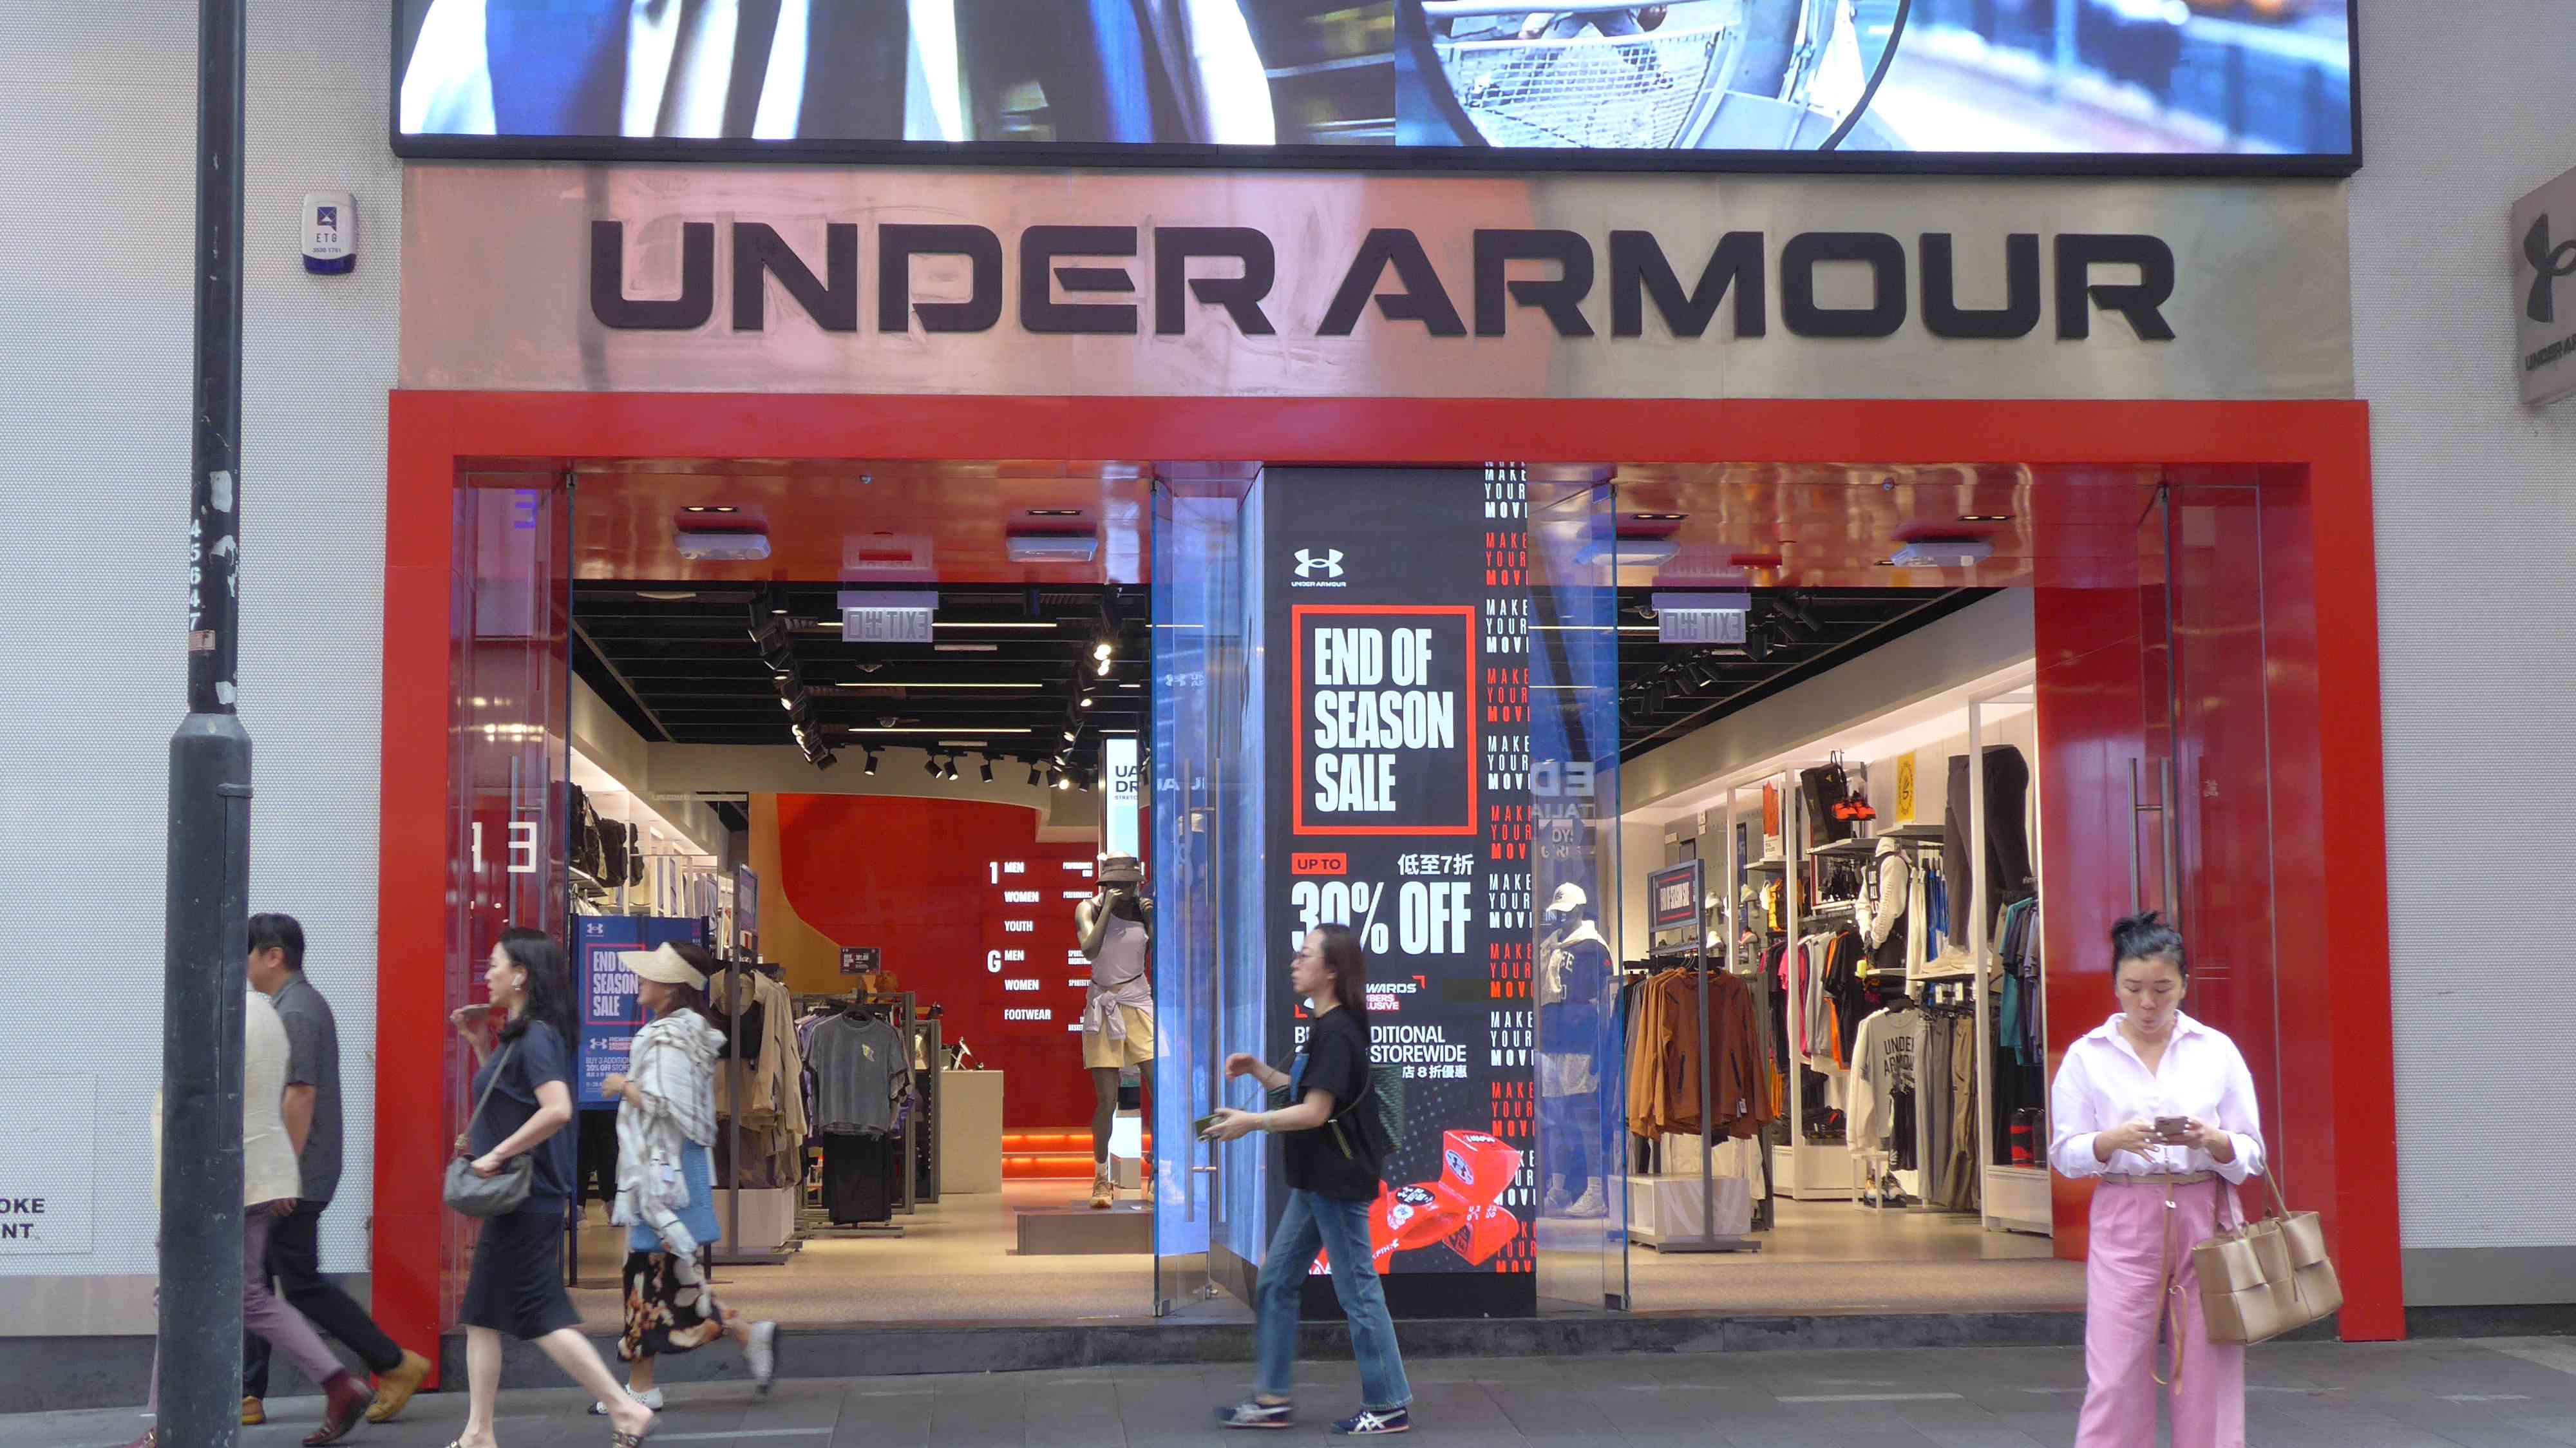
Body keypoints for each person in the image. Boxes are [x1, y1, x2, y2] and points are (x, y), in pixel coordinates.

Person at [2049, 911, 2266, 1448]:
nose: (2148, 1003)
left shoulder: (2216, 1050)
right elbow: (2065, 1153)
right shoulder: (2087, 1055)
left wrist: (2213, 1141)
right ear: (2115, 985)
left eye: (2163, 989)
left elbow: (2251, 1152)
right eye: (2134, 988)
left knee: (2211, 1365)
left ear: (2185, 985)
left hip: (2206, 1212)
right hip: (2127, 1209)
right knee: (2116, 1365)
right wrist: (2110, 1141)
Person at [124, 988, 374, 1447]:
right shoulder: (264, 1012)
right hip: (258, 1170)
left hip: (207, 1178)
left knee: (177, 1295)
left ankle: (169, 1421)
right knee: (251, 1296)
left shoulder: (209, 1010)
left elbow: (194, 1097)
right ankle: (339, 1384)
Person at [450, 928, 656, 1448]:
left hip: (527, 1198)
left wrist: (497, 1152)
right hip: (522, 1199)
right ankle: (479, 1431)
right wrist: (480, 1047)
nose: (488, 972)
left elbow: (558, 1109)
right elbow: (514, 1101)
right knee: (481, 1316)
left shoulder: (537, 1036)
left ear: (521, 975)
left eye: (496, 963)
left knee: (540, 1315)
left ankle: (624, 1407)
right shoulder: (522, 1035)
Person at [1205, 924, 1413, 1436]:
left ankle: (1388, 1404)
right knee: (1276, 1283)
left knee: (1359, 1293)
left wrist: (1250, 1122)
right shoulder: (1326, 1028)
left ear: (1332, 970)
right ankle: (1273, 1399)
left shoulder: (1338, 1032)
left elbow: (1316, 1112)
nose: (1295, 963)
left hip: (1337, 1183)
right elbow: (1308, 1093)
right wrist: (1258, 1071)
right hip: (1319, 1181)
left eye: (1305, 956)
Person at [241, 913, 433, 1429]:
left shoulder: (296, 1011)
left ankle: (393, 1364)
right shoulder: (291, 1005)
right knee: (257, 1278)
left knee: (294, 1283)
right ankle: (247, 1391)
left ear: (273, 954)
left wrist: (281, 1173)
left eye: (249, 953)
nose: (245, 966)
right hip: (296, 1172)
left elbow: (300, 1094)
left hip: (297, 1175)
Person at [588, 941, 779, 1416]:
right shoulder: (683, 1032)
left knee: (648, 1278)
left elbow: (667, 1107)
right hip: (674, 1168)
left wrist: (623, 1087)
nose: (641, 981)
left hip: (663, 1172)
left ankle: (643, 1385)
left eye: (651, 974)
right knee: (667, 1277)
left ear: (671, 987)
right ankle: (738, 1335)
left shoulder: (668, 1037)